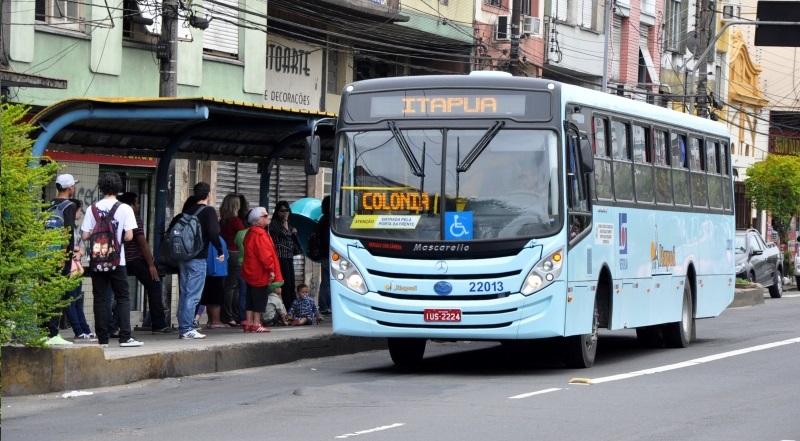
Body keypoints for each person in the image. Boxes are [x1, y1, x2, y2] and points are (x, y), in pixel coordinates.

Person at [81, 172, 143, 348]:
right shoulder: (125, 209)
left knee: (100, 299)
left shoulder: (92, 208)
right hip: (117, 261)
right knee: (122, 297)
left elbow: (85, 235)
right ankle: (125, 337)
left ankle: (102, 339)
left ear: (101, 188)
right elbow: (130, 236)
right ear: (119, 188)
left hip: (96, 261)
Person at [118, 192, 173, 334]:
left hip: (119, 259)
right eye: (136, 203)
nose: (138, 205)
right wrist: (151, 264)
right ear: (131, 204)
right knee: (154, 285)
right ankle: (159, 324)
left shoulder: (116, 217)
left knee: (118, 293)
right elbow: (142, 242)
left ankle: (115, 325)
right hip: (135, 260)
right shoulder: (134, 218)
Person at [175, 183, 224, 340]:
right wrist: (220, 250)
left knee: (185, 293)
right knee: (193, 295)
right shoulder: (208, 211)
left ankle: (183, 326)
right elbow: (214, 232)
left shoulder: (188, 210)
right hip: (198, 258)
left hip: (183, 257)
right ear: (208, 195)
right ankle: (187, 328)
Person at [44, 174, 80, 346]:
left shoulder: (50, 204)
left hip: (46, 256)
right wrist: (63, 258)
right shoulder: (70, 205)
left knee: (47, 293)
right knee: (58, 294)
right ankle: (53, 333)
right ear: (70, 188)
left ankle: (44, 331)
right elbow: (67, 232)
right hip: (60, 257)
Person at [241, 206, 283, 333]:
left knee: (249, 298)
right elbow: (265, 255)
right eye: (264, 216)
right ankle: (256, 323)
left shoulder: (250, 233)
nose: (267, 217)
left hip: (249, 270)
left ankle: (248, 323)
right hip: (259, 272)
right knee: (259, 298)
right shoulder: (260, 234)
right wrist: (271, 269)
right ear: (257, 220)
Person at [63, 198, 97, 343]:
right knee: (70, 300)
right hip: (69, 268)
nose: (81, 213)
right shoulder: (65, 227)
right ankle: (78, 331)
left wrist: (79, 251)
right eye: (79, 210)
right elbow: (64, 246)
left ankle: (85, 330)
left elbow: (82, 246)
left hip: (77, 268)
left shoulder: (75, 228)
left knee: (77, 301)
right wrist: (76, 249)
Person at [219, 194, 245, 327]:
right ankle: (229, 316)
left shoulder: (222, 220)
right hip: (234, 253)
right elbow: (243, 235)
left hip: (224, 253)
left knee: (228, 285)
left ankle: (229, 314)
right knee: (232, 286)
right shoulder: (235, 221)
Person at [269, 200, 298, 310]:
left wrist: (293, 230)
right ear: (277, 212)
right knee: (286, 283)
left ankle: (295, 307)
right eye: (282, 211)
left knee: (291, 283)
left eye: (286, 210)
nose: (284, 213)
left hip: (289, 255)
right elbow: (286, 233)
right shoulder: (275, 224)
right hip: (281, 256)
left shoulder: (288, 224)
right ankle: (289, 308)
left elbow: (291, 232)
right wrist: (286, 221)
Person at [316, 196, 332, 314]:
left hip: (324, 254)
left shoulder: (323, 219)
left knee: (326, 281)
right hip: (328, 254)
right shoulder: (329, 220)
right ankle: (325, 305)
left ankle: (323, 305)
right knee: (329, 282)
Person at [236, 195, 250, 325]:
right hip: (249, 267)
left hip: (239, 265)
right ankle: (248, 318)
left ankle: (242, 317)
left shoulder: (240, 234)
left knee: (241, 292)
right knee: (247, 293)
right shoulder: (254, 234)